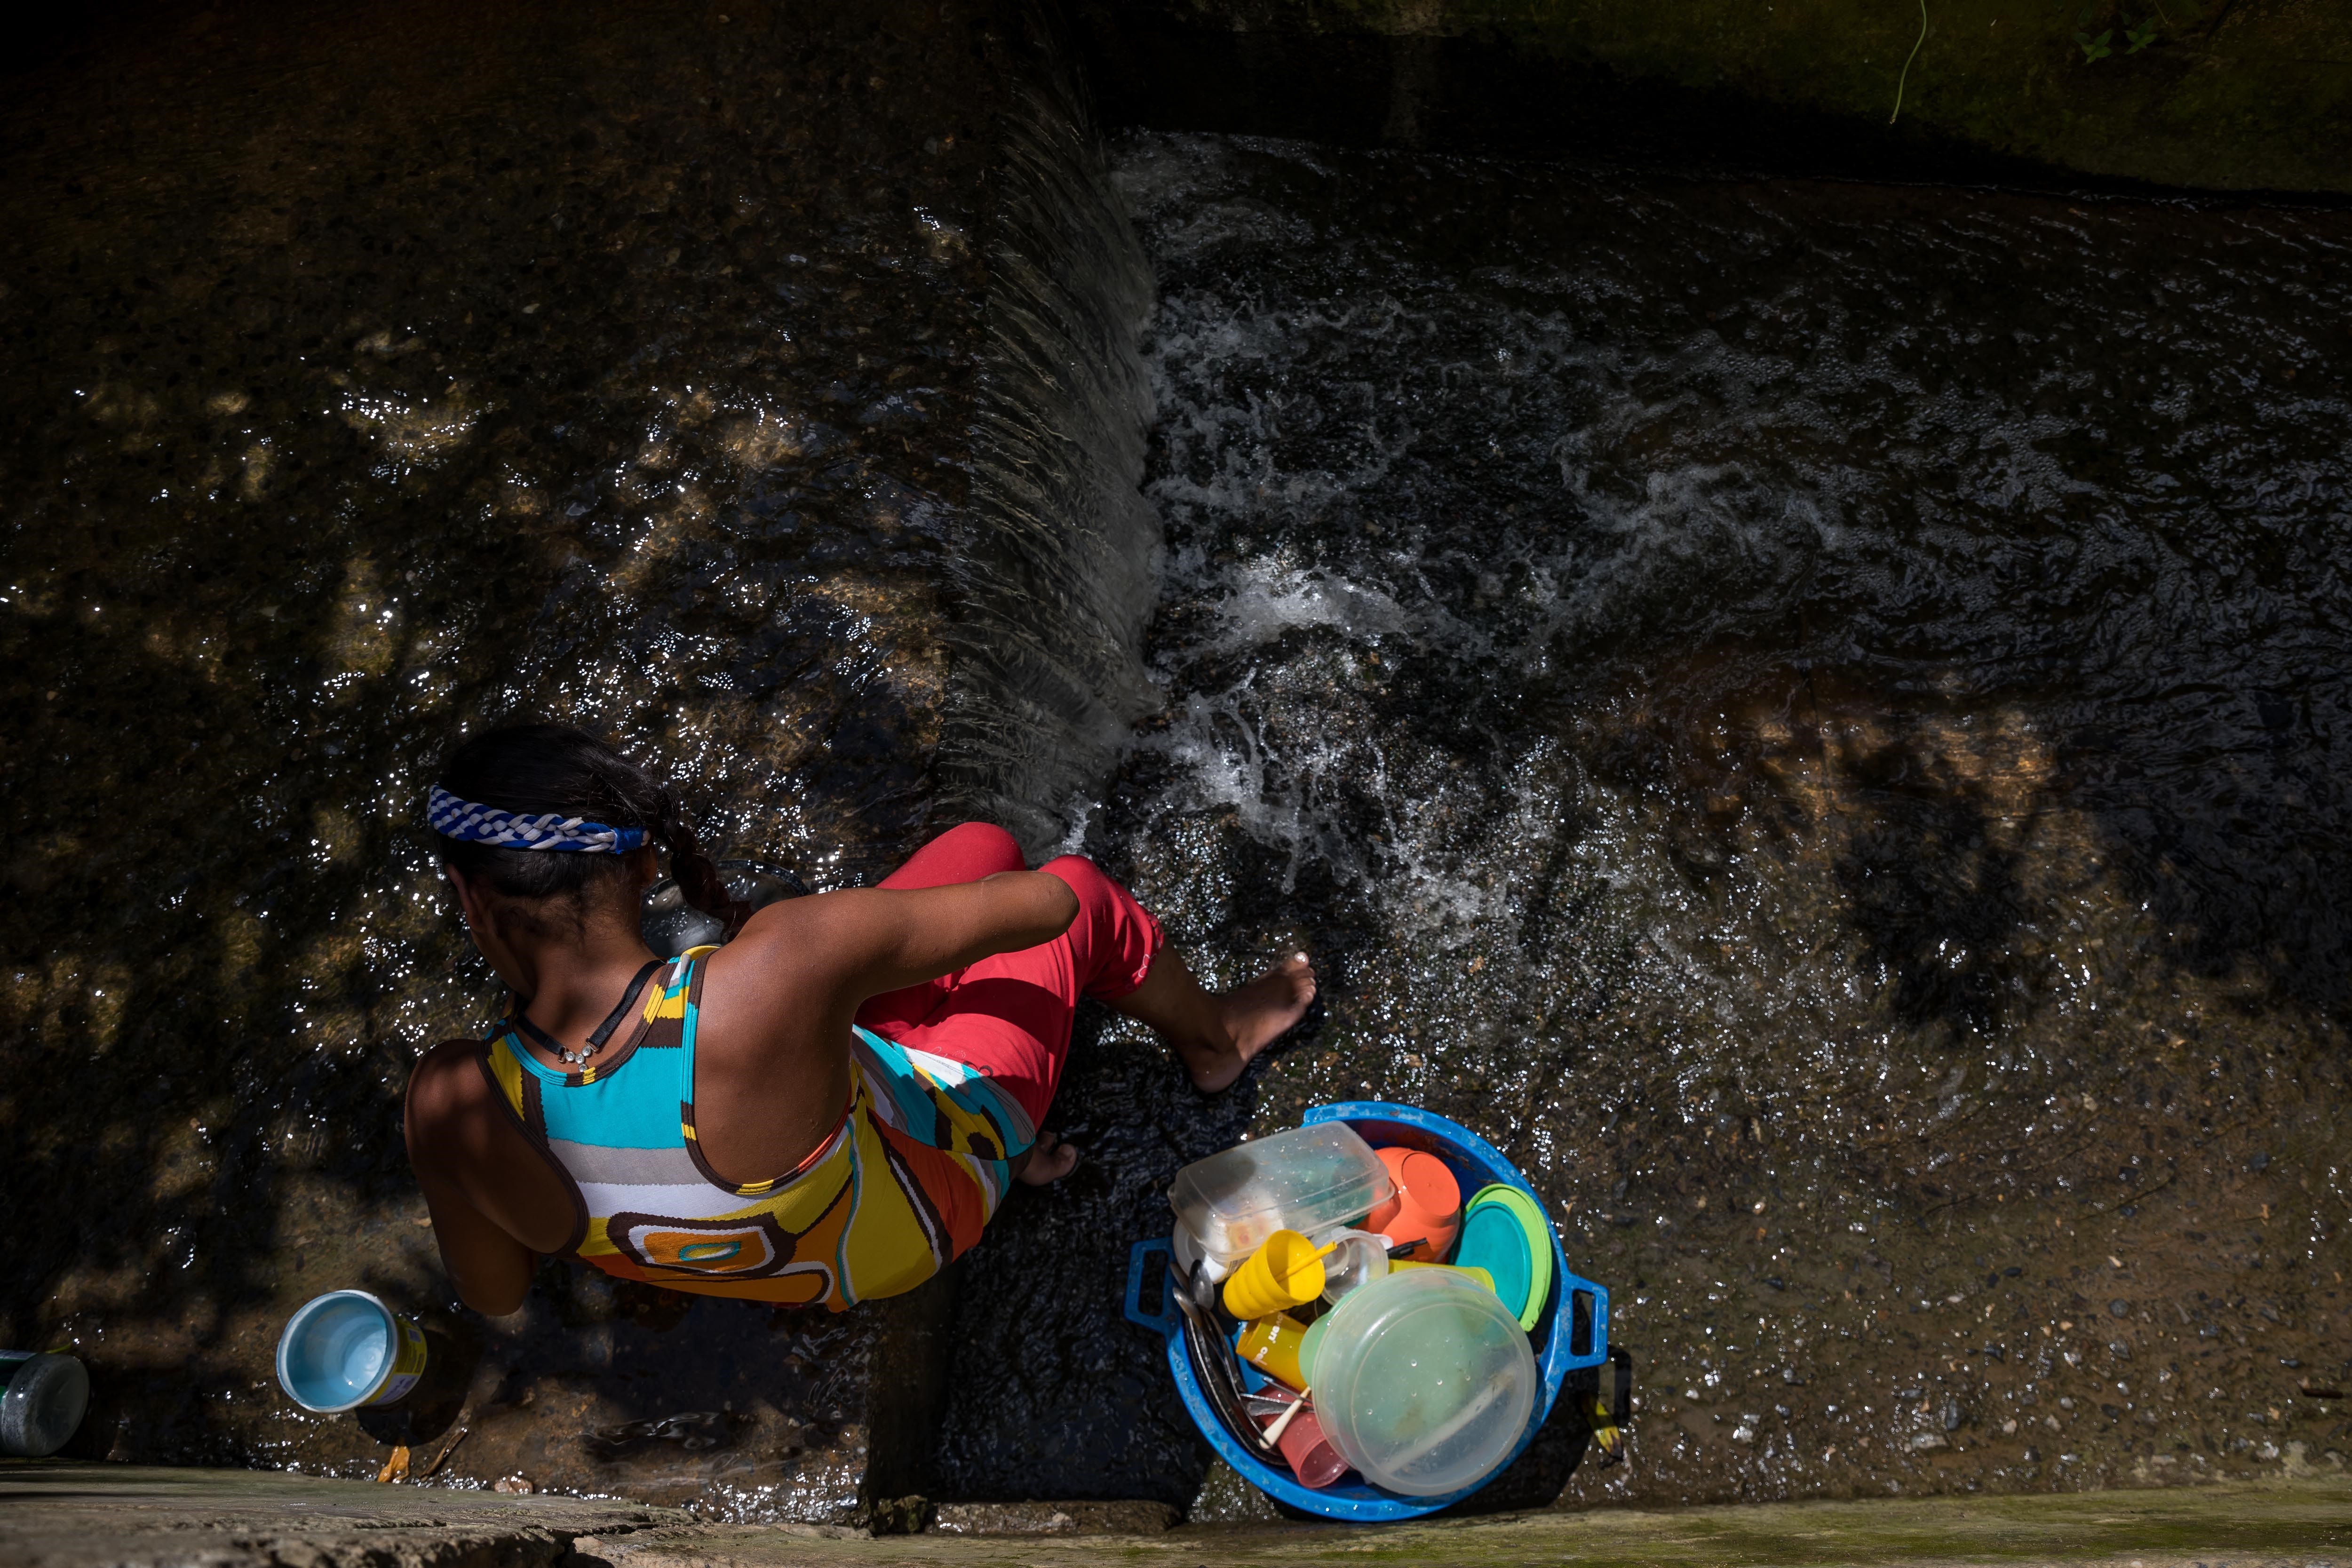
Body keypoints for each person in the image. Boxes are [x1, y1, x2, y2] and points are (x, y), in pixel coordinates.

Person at [404, 723, 1316, 1316]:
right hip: (921, 1203)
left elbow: (495, 1289)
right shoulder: (774, 968)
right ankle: (1211, 1044)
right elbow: (1043, 905)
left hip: (803, 1241)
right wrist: (847, 945)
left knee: (979, 846)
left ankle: (1014, 1116)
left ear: (467, 896)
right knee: (1077, 885)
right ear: (644, 868)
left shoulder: (450, 1101)